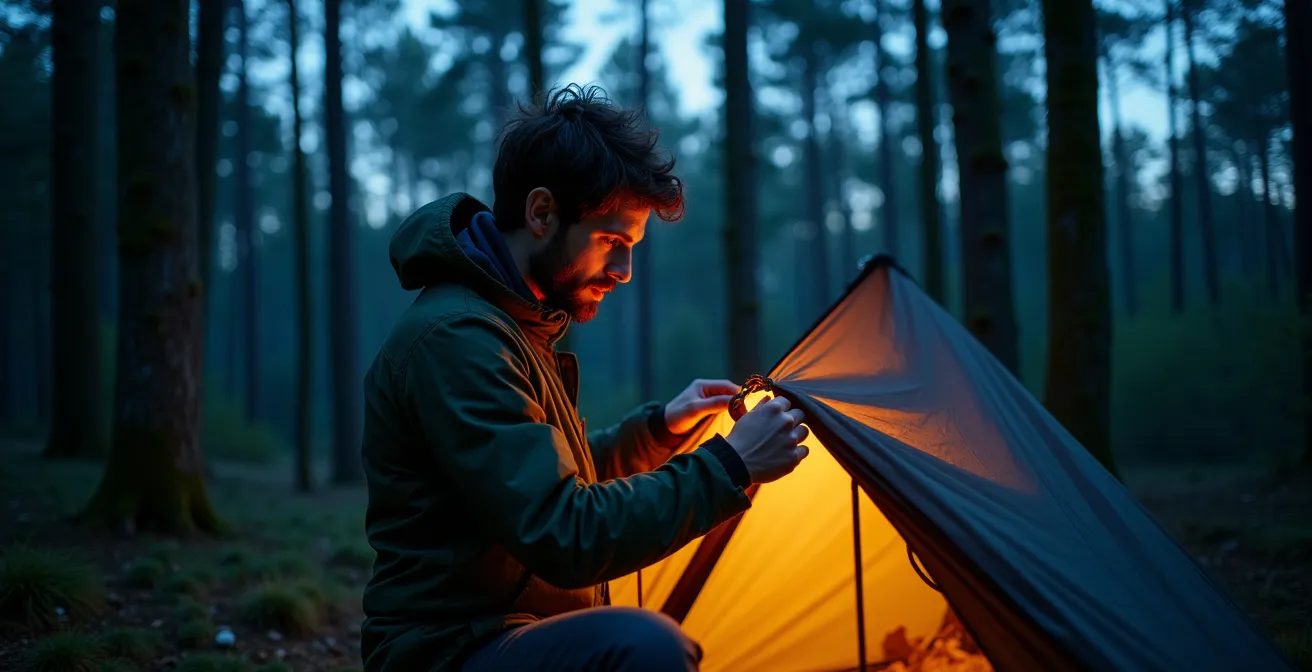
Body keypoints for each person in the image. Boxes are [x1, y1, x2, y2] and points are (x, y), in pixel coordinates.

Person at [358, 84, 811, 672]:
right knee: (642, 646)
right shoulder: (458, 339)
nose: (624, 270)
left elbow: (536, 481)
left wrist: (658, 431)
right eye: (611, 241)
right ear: (542, 213)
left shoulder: (512, 325)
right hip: (447, 652)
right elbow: (562, 530)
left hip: (502, 635)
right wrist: (730, 466)